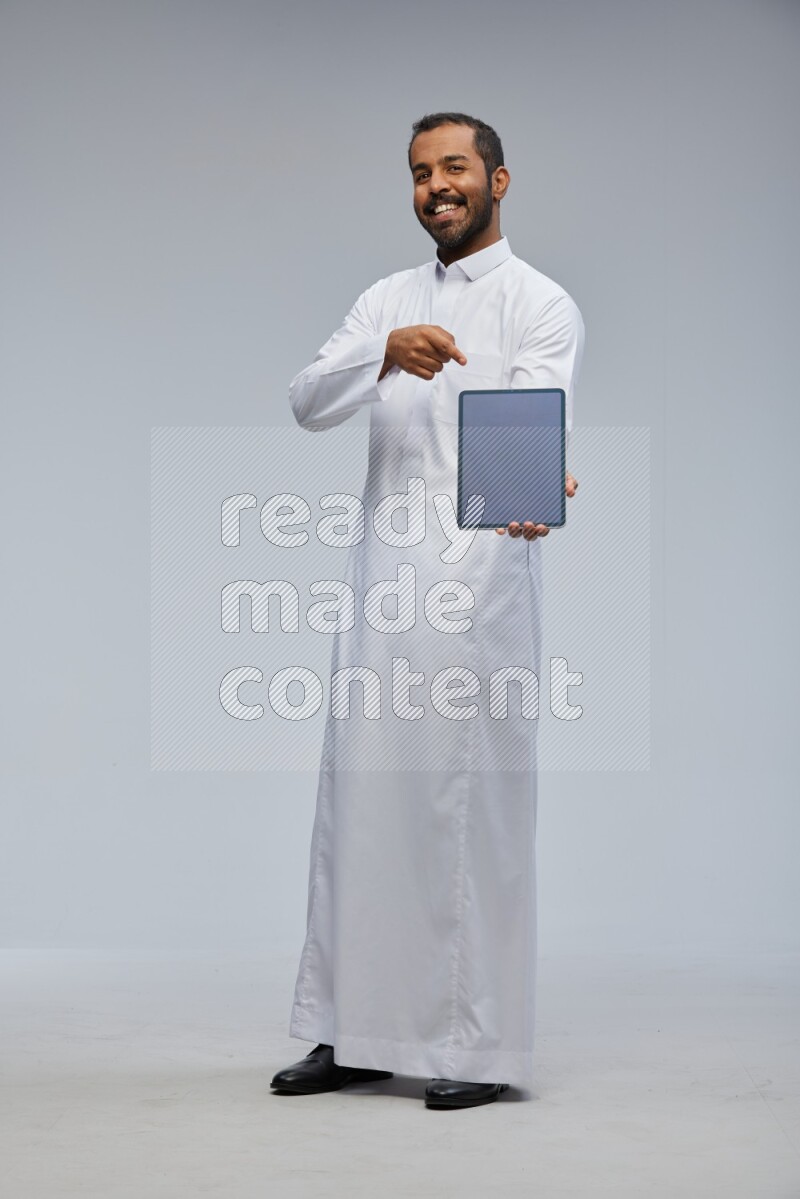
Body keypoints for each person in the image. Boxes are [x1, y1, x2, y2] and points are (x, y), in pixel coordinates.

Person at [271, 112, 585, 1110]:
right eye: (419, 173)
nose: (435, 187)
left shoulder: (540, 303)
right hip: (381, 592)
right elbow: (305, 400)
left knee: (467, 816)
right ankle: (351, 1030)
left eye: (453, 168)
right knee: (359, 808)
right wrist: (378, 354)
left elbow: (525, 424)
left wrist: (536, 485)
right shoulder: (387, 300)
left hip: (479, 596)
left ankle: (475, 1048)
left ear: (498, 180)